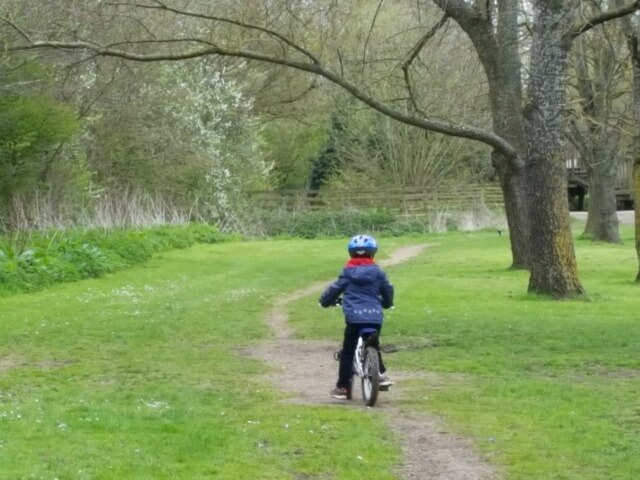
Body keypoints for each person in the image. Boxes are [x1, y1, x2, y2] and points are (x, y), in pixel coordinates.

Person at [319, 234, 394, 399]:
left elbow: (334, 290)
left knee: (348, 350)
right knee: (373, 344)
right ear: (373, 253)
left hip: (354, 316)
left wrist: (325, 302)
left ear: (351, 254)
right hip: (374, 316)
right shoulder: (378, 273)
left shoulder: (347, 273)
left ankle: (343, 387)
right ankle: (380, 375)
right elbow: (388, 289)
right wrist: (387, 303)